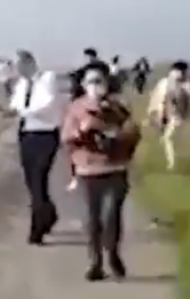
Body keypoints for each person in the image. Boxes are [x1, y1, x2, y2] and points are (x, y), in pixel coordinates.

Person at [62, 62, 141, 281]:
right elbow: (66, 138)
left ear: (107, 83)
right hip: (87, 171)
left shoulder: (119, 106)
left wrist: (114, 132)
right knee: (91, 219)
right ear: (82, 84)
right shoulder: (76, 108)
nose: (95, 86)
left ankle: (113, 253)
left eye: (99, 81)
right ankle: (95, 262)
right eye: (90, 81)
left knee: (111, 216)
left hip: (115, 169)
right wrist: (82, 130)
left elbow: (134, 133)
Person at [9, 50, 63, 244]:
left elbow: (47, 104)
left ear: (30, 62)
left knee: (39, 179)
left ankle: (37, 229)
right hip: (26, 135)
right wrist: (12, 111)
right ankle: (49, 214)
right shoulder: (21, 85)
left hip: (45, 135)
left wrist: (24, 112)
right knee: (32, 182)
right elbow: (15, 104)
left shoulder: (48, 79)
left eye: (19, 64)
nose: (17, 69)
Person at [147, 61, 190, 171]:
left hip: (177, 117)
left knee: (168, 138)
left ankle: (172, 164)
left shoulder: (184, 85)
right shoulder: (168, 83)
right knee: (168, 139)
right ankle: (173, 163)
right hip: (172, 116)